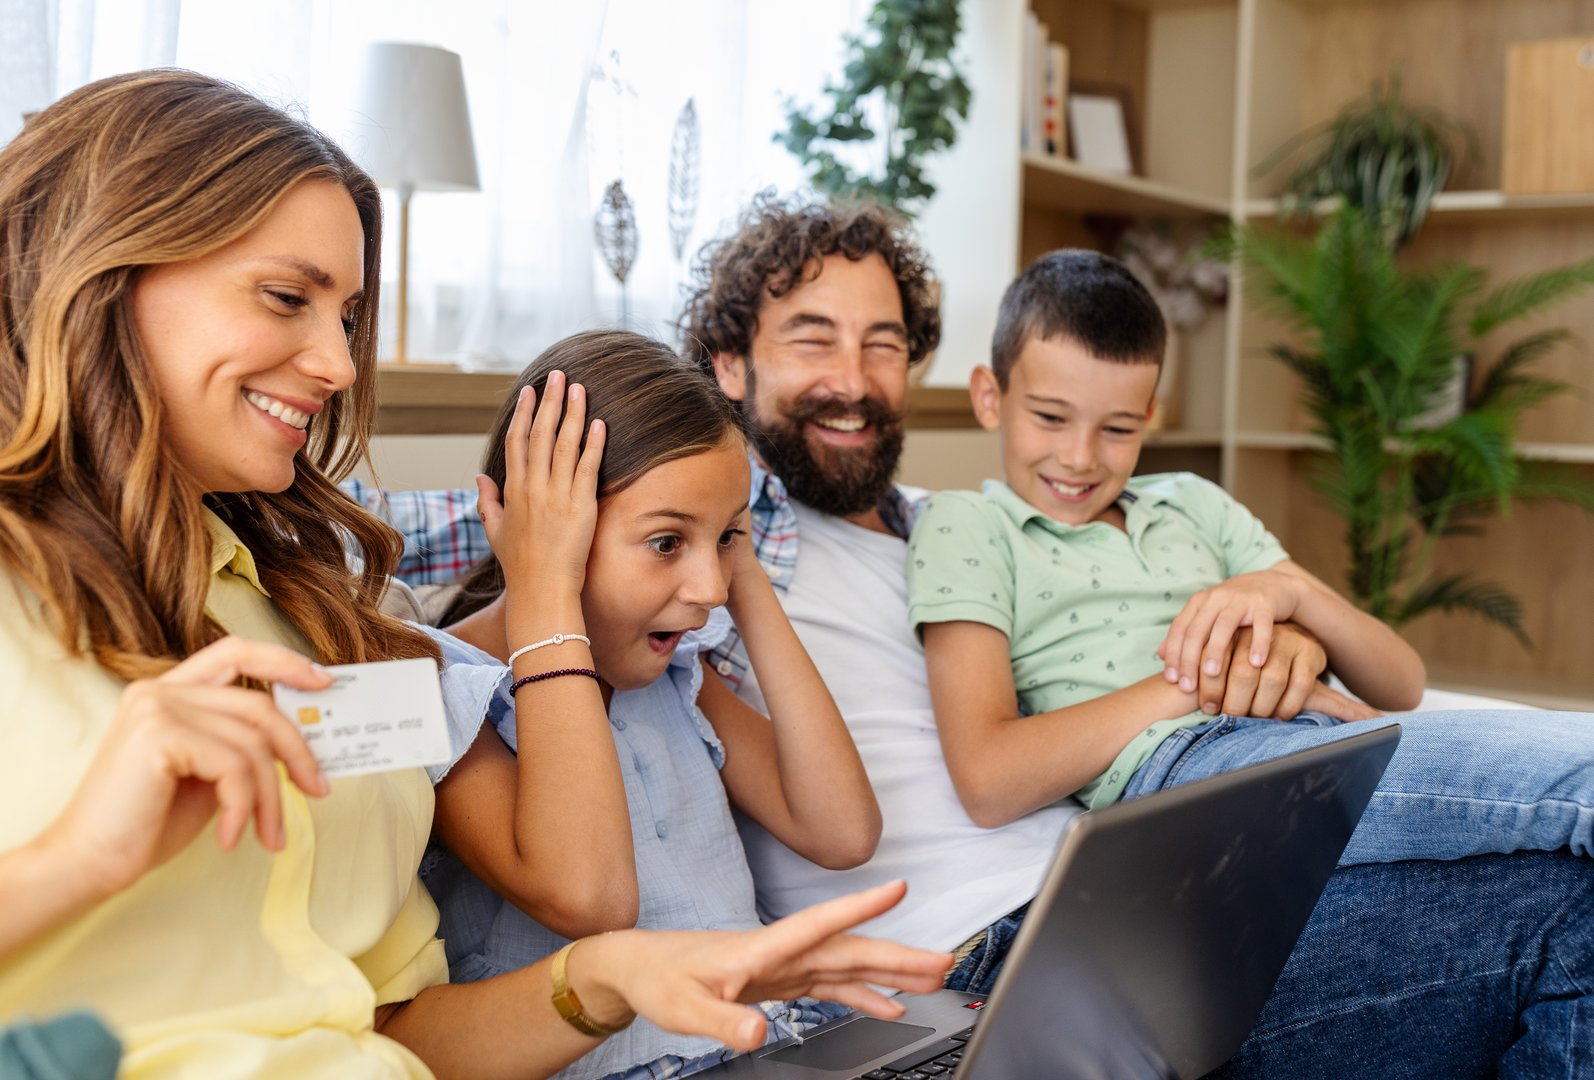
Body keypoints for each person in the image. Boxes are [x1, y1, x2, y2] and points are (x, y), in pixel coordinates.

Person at [350, 197, 1594, 1073]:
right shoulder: (691, 537)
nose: (853, 375)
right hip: (960, 958)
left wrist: (1266, 625)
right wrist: (663, 556)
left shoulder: (979, 523)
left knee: (1569, 912)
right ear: (726, 366)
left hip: (1130, 904)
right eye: (811, 340)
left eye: (883, 342)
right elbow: (378, 547)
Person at [0, 73, 951, 1080]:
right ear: (95, 267)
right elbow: (578, 887)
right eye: (287, 297)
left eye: (349, 318)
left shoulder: (330, 631)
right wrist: (79, 865)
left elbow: (392, 1025)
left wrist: (608, 979)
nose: (335, 365)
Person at [416, 330, 882, 1079]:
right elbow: (593, 901)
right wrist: (542, 591)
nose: (710, 588)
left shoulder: (671, 672)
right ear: (532, 531)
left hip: (772, 1044)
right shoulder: (440, 686)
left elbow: (842, 830)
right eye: (667, 542)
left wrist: (742, 560)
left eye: (724, 537)